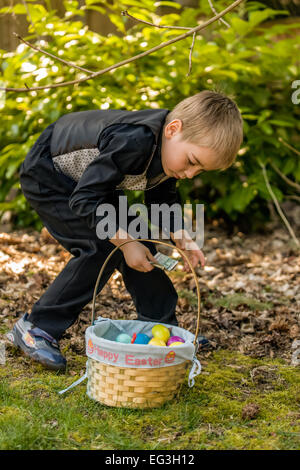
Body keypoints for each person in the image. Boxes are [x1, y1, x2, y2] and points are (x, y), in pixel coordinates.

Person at [7, 90, 243, 370]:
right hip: (49, 175)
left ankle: (159, 327)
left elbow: (162, 197)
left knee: (140, 241)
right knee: (102, 246)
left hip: (94, 187)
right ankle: (37, 327)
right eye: (192, 162)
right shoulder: (136, 140)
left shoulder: (169, 154)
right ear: (173, 130)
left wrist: (181, 235)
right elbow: (85, 200)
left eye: (200, 171)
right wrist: (126, 243)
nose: (190, 174)